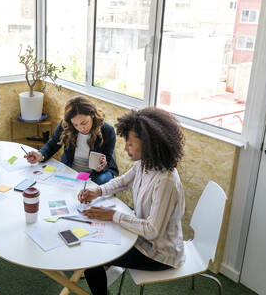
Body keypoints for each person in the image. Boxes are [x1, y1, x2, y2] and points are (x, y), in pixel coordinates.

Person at [78, 107, 186, 295]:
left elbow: (152, 231)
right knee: (96, 238)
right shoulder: (145, 163)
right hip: (140, 236)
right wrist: (98, 191)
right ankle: (109, 268)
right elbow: (124, 181)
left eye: (130, 144)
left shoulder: (166, 181)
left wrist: (113, 215)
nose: (126, 148)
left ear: (148, 144)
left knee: (92, 259)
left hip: (159, 254)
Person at [25, 96, 118, 185]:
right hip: (71, 168)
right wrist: (40, 155)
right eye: (75, 124)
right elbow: (52, 144)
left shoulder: (107, 131)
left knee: (96, 182)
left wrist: (100, 168)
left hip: (96, 174)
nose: (81, 128)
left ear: (92, 114)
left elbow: (108, 159)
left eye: (84, 123)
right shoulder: (66, 125)